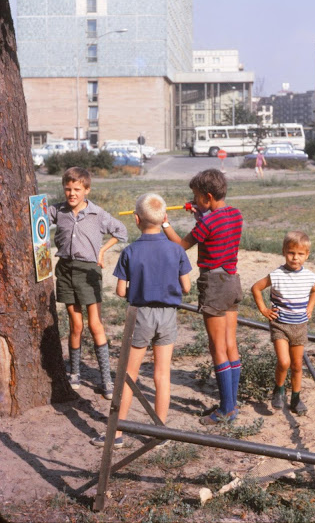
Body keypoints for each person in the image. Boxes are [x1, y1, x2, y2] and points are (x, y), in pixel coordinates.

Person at [91, 193, 192, 449]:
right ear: (164, 218)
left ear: (136, 219)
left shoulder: (130, 251)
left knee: (128, 375)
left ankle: (117, 432)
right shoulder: (176, 250)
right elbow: (187, 287)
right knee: (162, 374)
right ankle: (160, 432)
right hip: (167, 316)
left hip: (140, 316)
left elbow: (120, 291)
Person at [163, 169, 243, 425]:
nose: (194, 200)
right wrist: (201, 214)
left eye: (197, 196)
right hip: (232, 281)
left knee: (217, 348)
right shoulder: (235, 214)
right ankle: (232, 404)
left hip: (214, 284)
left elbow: (180, 246)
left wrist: (165, 223)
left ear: (208, 197)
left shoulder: (207, 224)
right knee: (230, 345)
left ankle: (226, 410)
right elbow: (217, 227)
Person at [48, 166, 127, 399]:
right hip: (65, 270)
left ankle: (106, 380)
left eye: (77, 189)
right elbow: (35, 217)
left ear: (87, 190)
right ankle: (75, 373)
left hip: (88, 271)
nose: (72, 194)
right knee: (76, 325)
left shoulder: (97, 213)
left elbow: (121, 231)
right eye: (68, 189)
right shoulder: (57, 211)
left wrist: (101, 251)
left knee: (95, 325)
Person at [251, 231, 315, 416]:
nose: (295, 258)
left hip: (300, 326)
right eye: (291, 253)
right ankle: (279, 389)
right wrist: (264, 309)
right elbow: (256, 288)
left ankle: (296, 398)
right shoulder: (277, 275)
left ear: (307, 255)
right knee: (284, 361)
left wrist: (310, 307)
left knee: (297, 364)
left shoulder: (309, 276)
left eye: (300, 254)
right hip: (280, 325)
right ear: (283, 252)